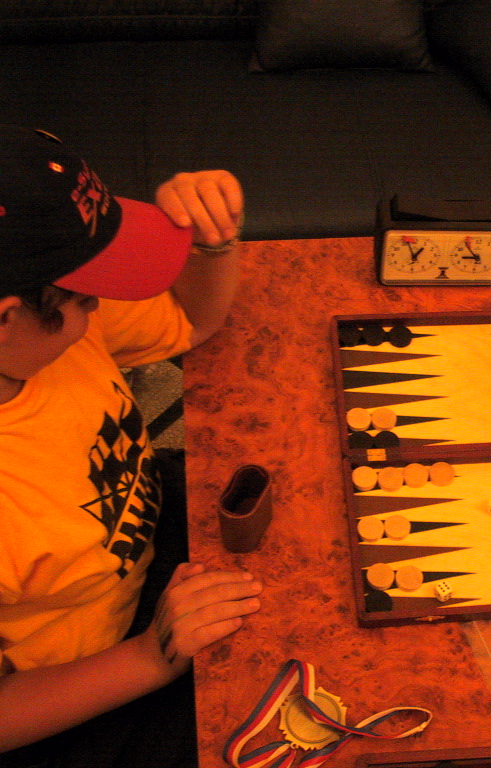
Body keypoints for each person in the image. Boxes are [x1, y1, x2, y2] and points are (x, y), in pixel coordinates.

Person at [0, 126, 261, 765]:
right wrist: (150, 656)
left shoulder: (49, 328)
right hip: (87, 688)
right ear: (5, 319)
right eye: (84, 295)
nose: (99, 306)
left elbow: (193, 321)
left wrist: (211, 242)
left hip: (151, 529)